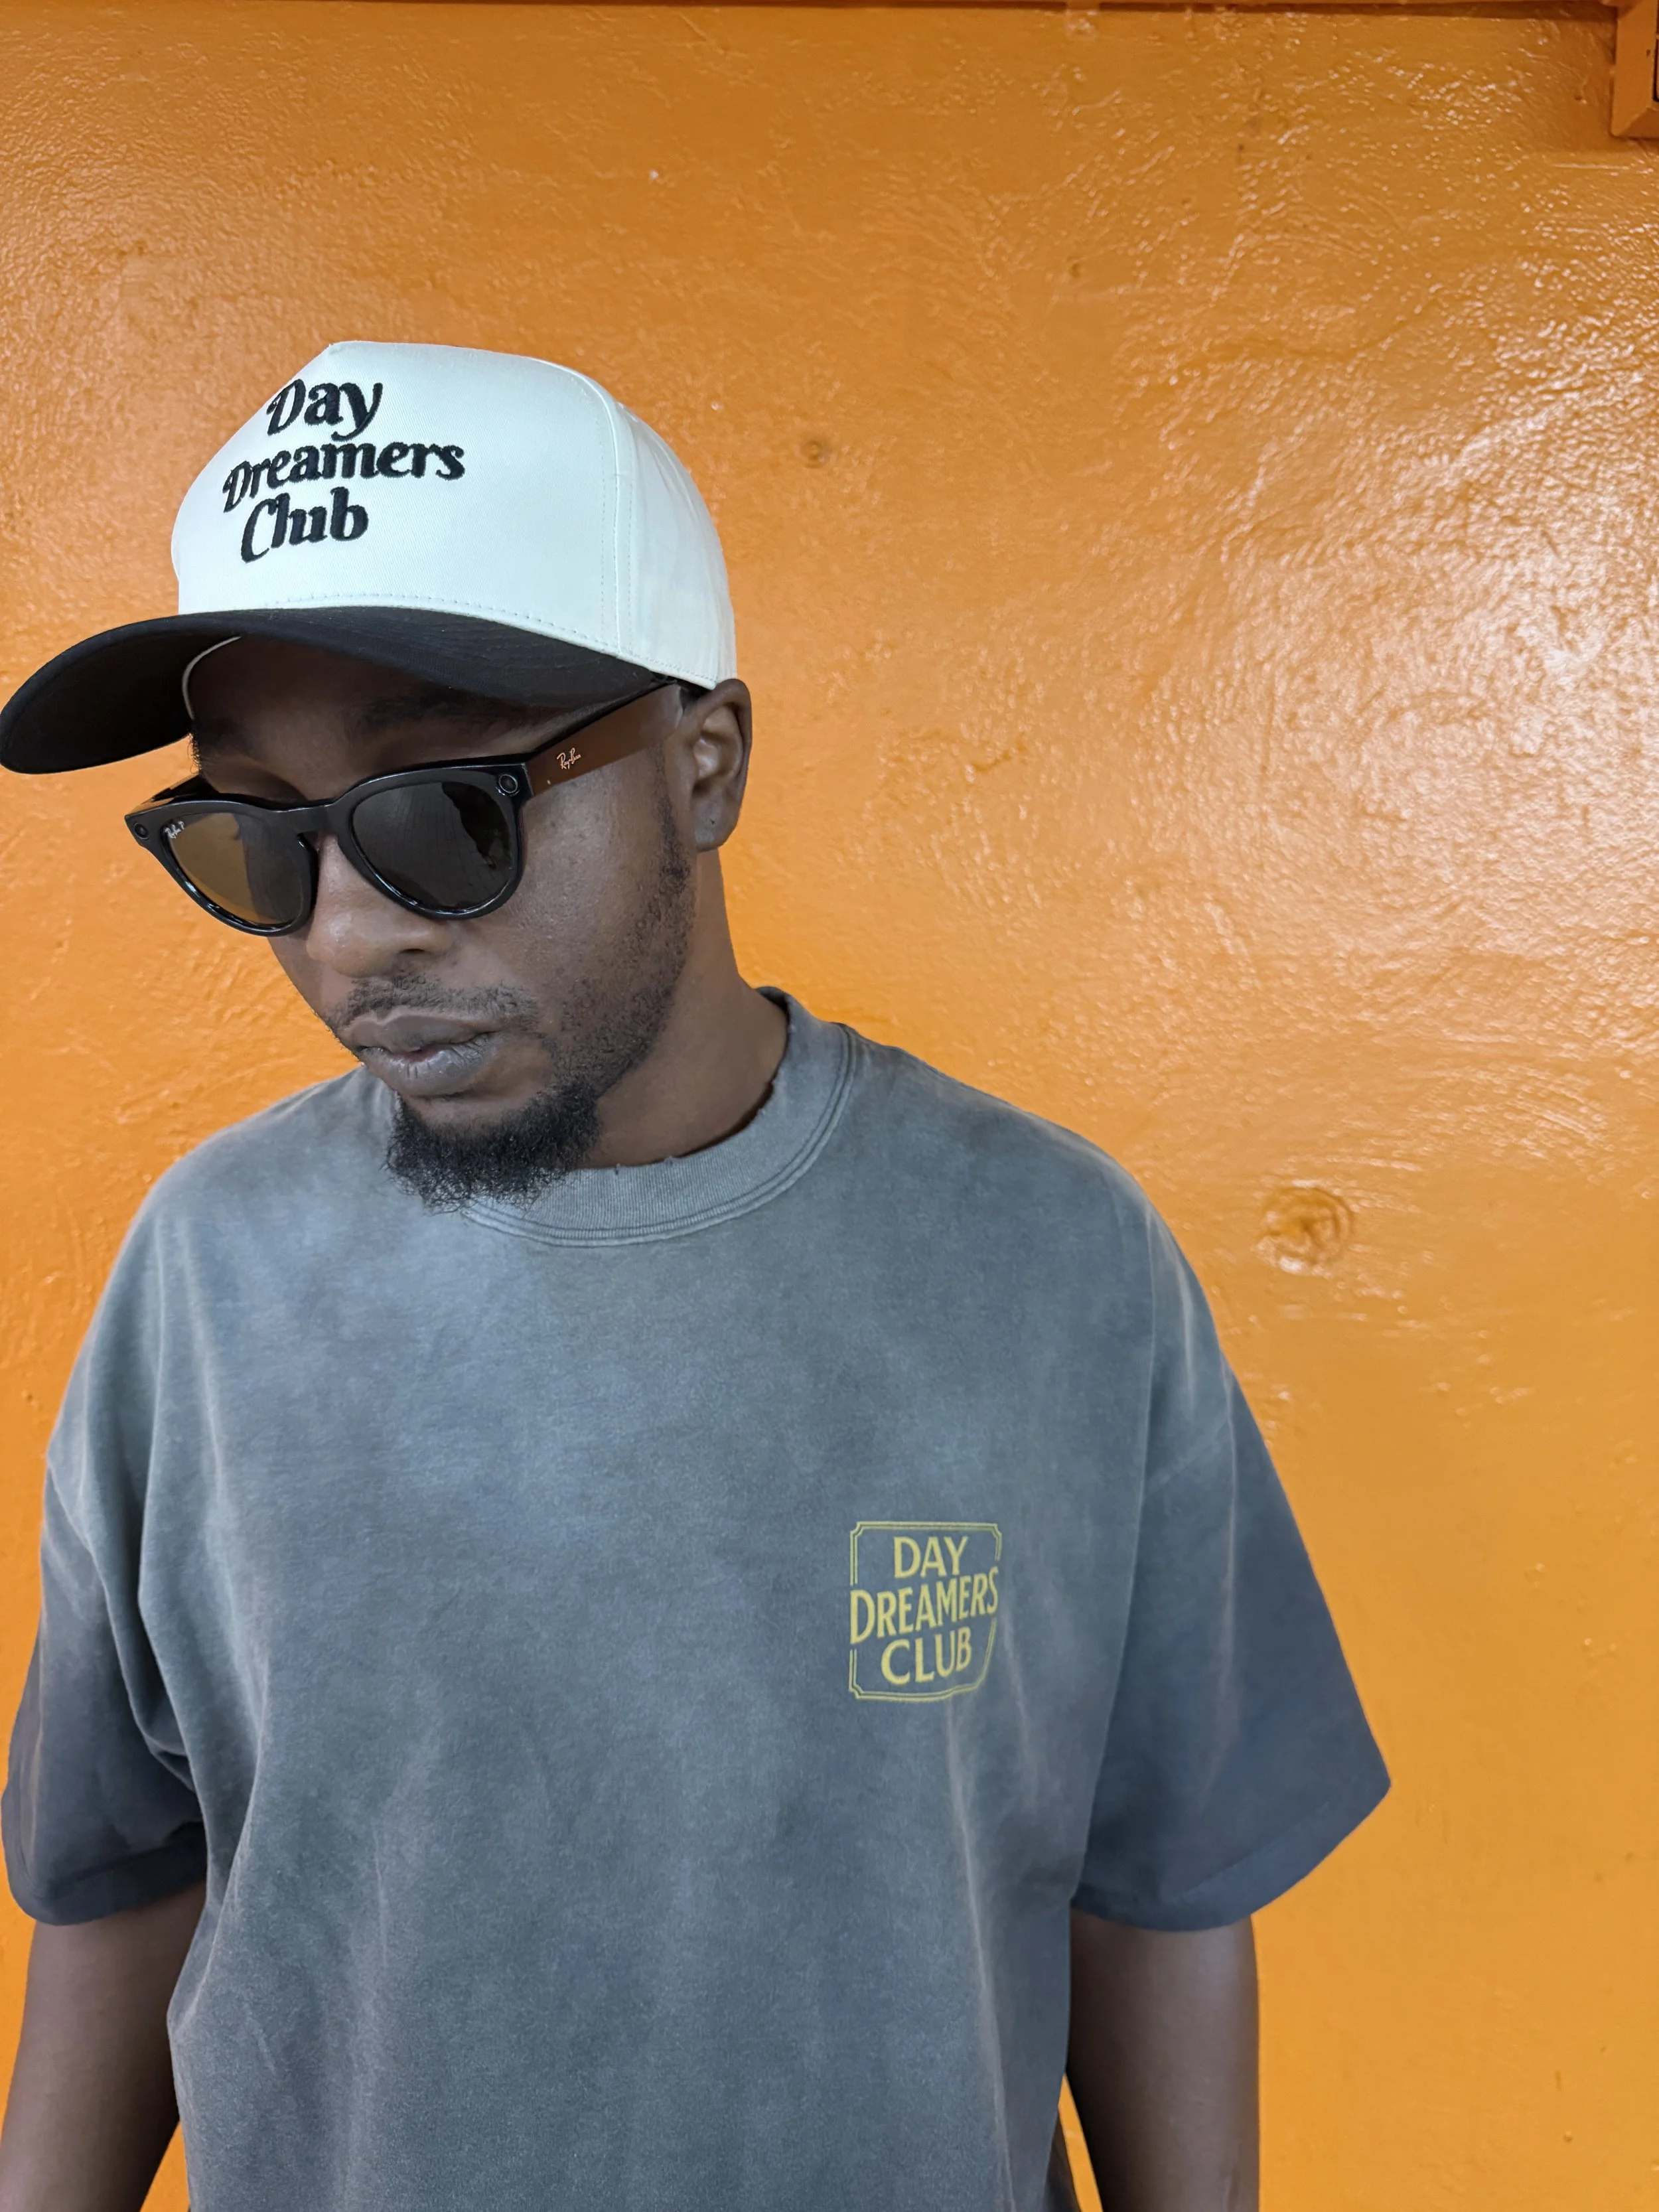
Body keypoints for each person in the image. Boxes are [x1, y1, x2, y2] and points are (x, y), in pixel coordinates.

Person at [0, 340, 1387, 2212]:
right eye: (256, 839)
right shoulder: (211, 1271)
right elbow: (126, 1873)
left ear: (703, 761)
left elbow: (1157, 1887)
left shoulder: (1050, 1258)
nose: (345, 940)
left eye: (444, 815)